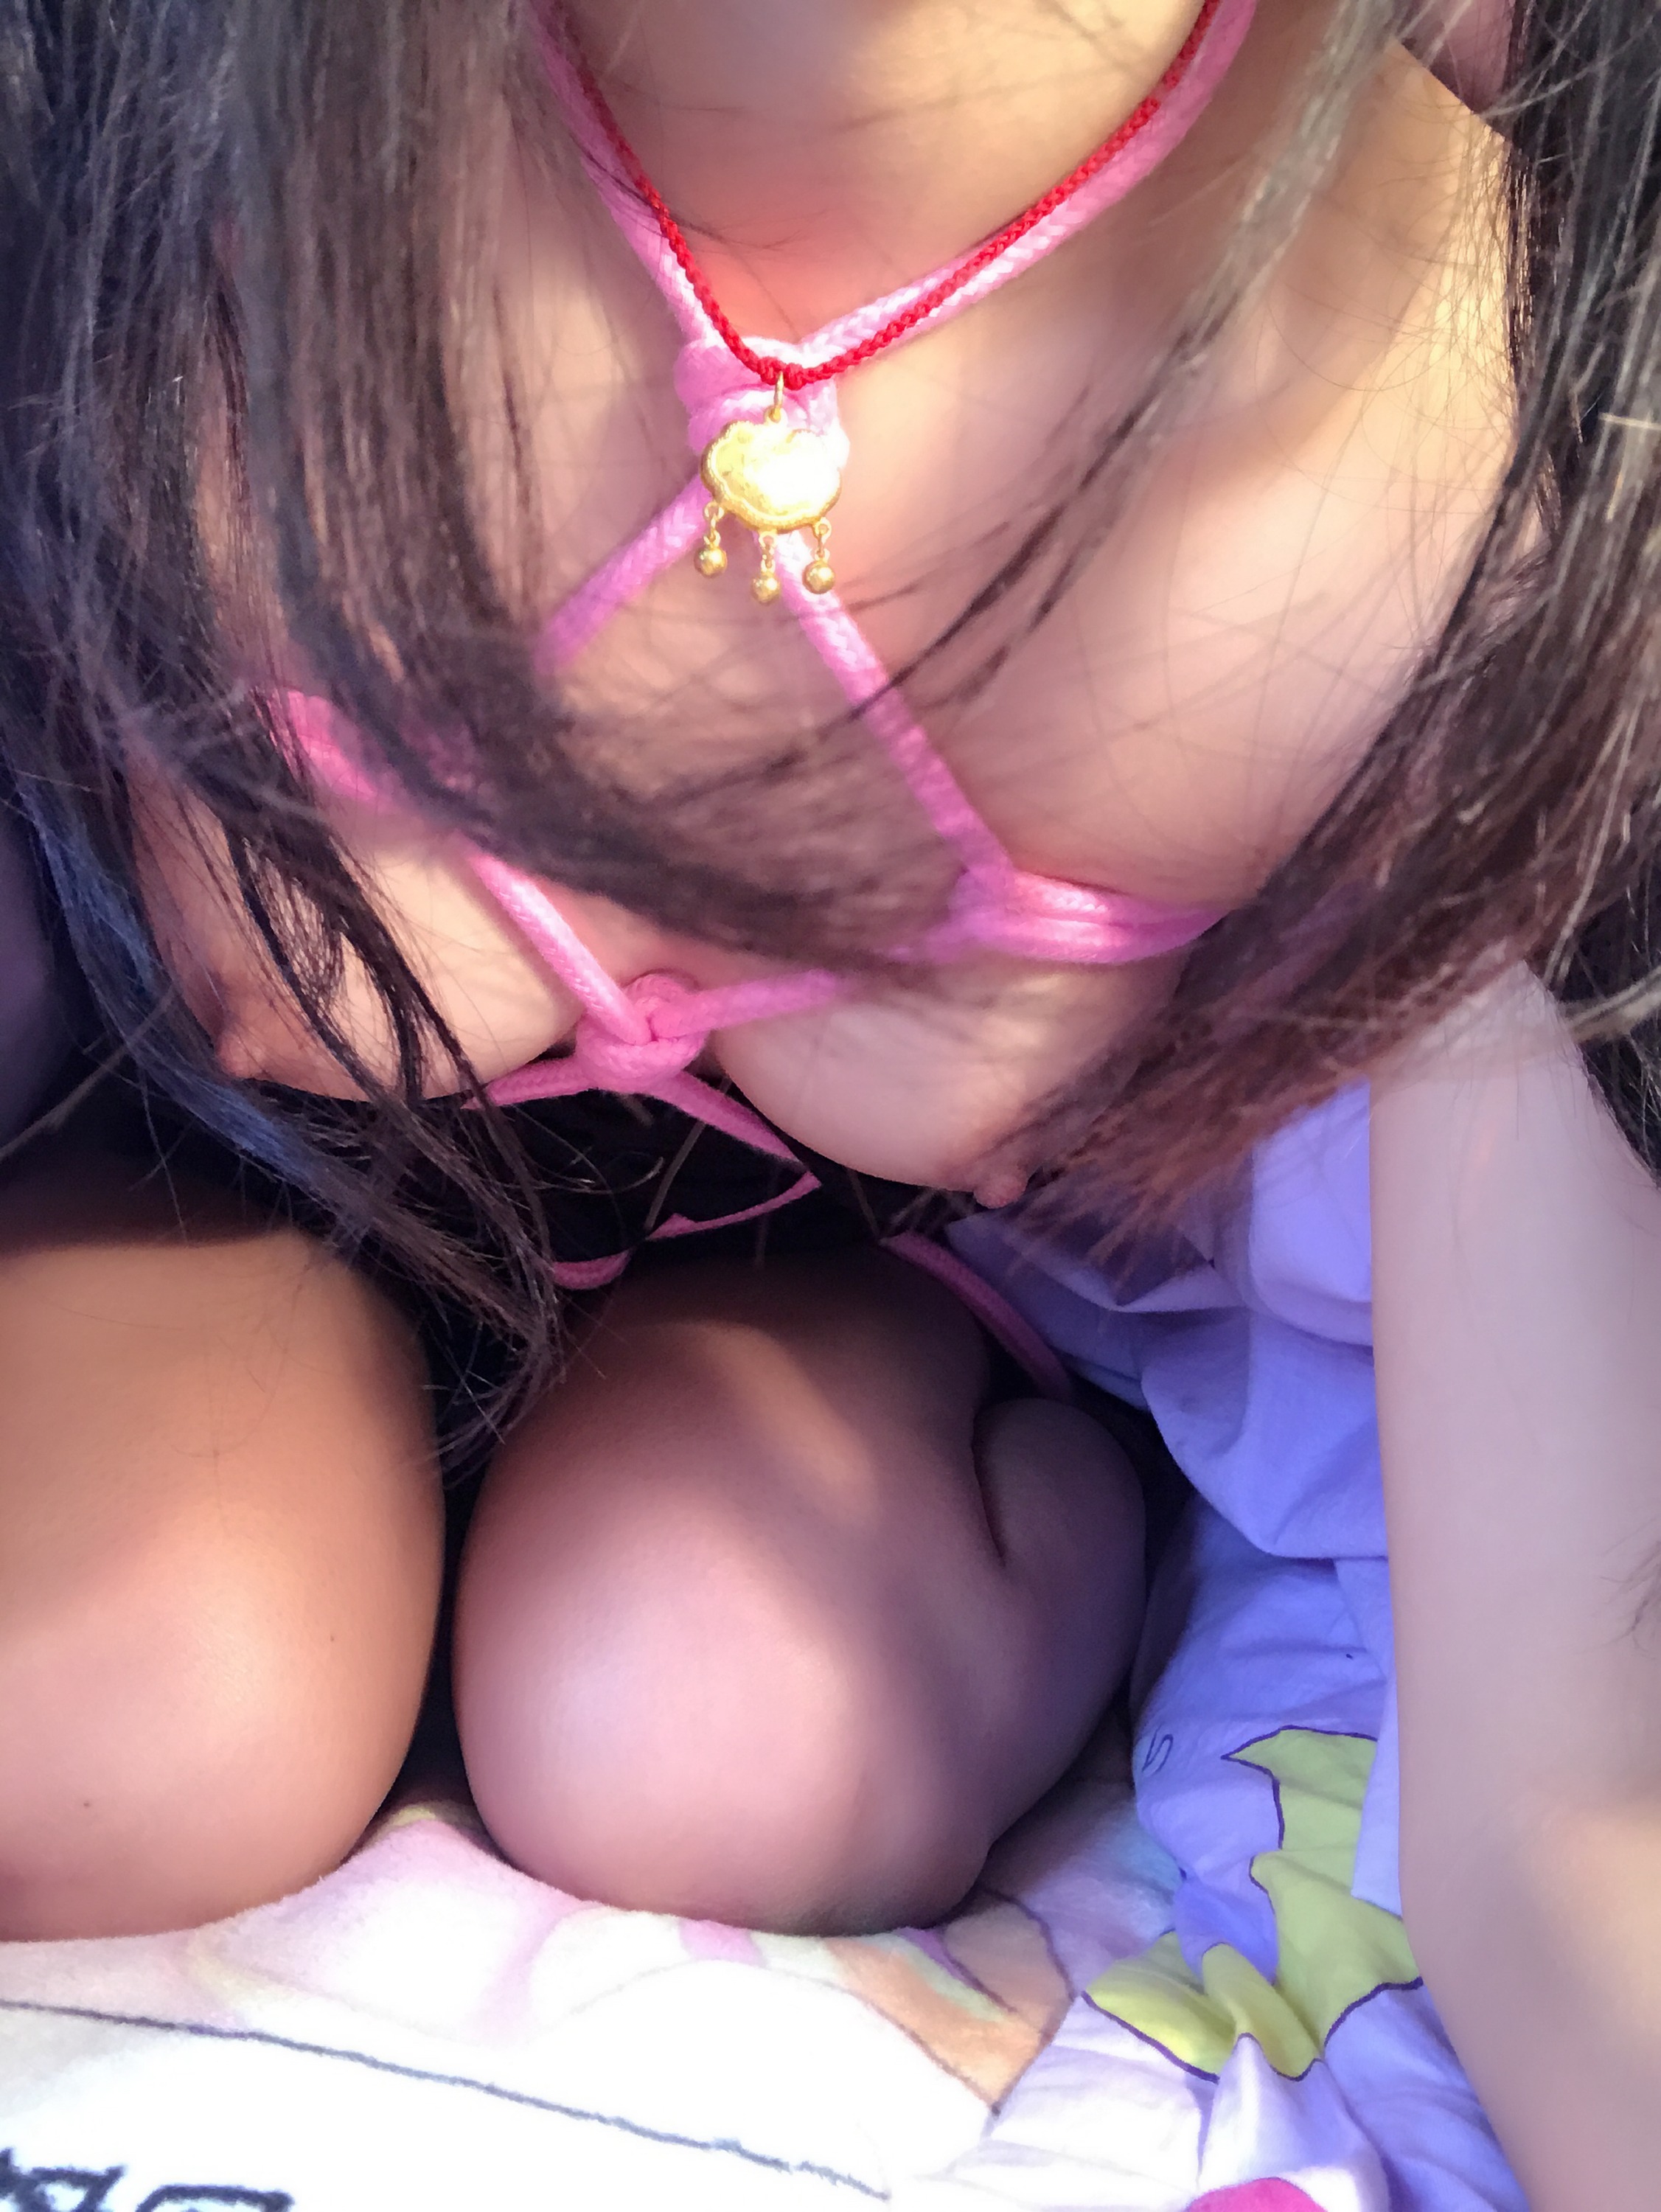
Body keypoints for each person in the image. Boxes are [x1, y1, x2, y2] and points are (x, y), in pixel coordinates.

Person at [1, 0, 1660, 2194]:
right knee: (103, 1690)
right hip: (212, 1183)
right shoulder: (155, 124)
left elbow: (1580, 1802)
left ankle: (1024, 1528)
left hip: (832, 1286)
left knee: (706, 1713)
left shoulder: (1505, 340)